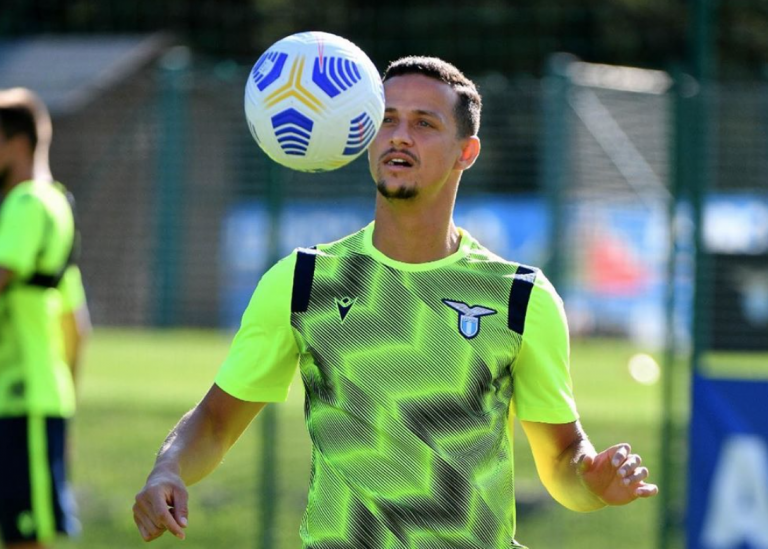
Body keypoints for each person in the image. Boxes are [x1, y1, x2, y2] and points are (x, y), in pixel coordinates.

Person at [133, 57, 658, 548]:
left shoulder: (522, 297)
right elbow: (216, 422)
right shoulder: (303, 280)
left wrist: (592, 482)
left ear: (466, 152)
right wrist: (168, 468)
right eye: (386, 121)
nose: (399, 136)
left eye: (424, 124)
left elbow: (563, 460)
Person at [0, 88, 91, 549]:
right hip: (38, 397)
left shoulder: (25, 204)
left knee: (24, 538)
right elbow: (77, 326)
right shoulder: (57, 203)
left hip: (20, 397)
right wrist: (67, 407)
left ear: (16, 144)